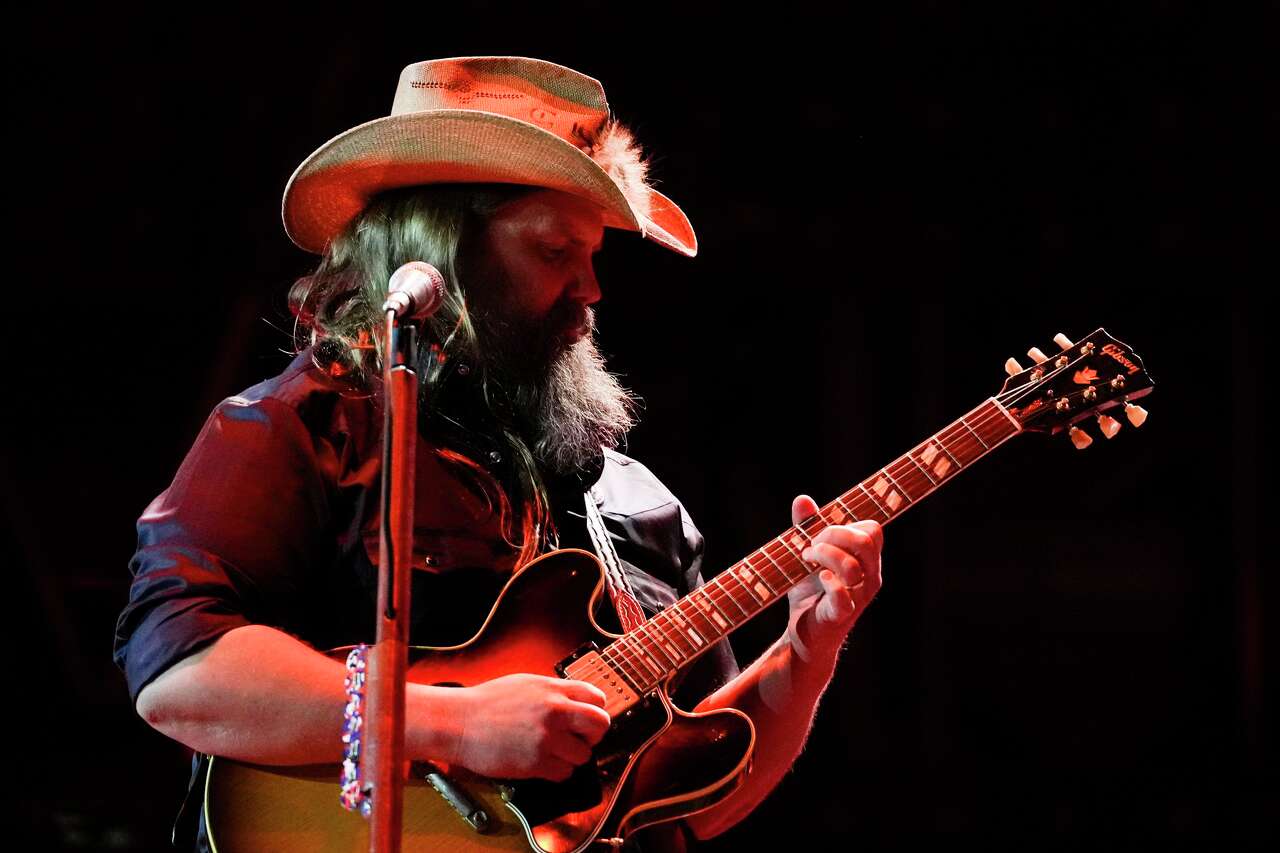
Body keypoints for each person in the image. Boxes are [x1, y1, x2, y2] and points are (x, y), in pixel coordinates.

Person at [114, 56, 884, 851]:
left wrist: (808, 645)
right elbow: (179, 677)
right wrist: (452, 722)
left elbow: (691, 802)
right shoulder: (300, 430)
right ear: (443, 251)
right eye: (555, 251)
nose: (591, 289)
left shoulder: (637, 506)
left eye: (593, 256)